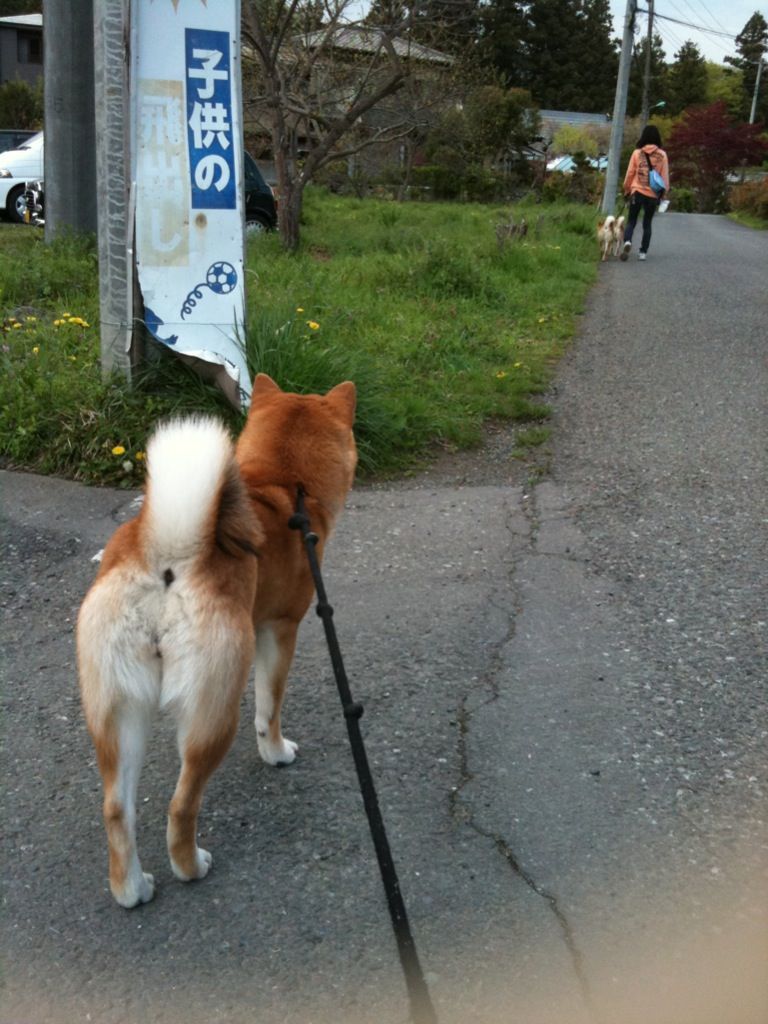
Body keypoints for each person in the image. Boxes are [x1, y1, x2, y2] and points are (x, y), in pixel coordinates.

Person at [620, 125, 670, 262]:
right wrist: (664, 193)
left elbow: (630, 173)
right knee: (647, 223)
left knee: (631, 220)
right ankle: (643, 252)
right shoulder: (662, 155)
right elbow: (664, 176)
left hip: (637, 191)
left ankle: (627, 241)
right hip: (653, 194)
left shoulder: (637, 153)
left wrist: (626, 189)